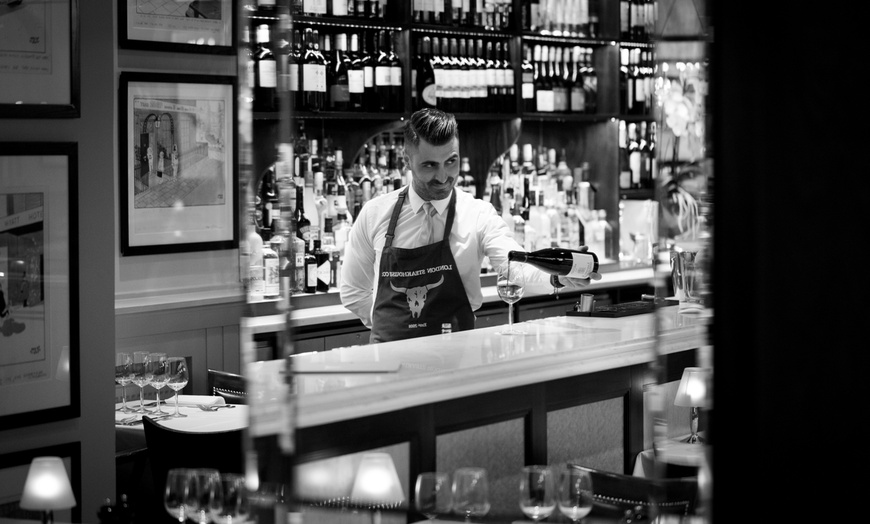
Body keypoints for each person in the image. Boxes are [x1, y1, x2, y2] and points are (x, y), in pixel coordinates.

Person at [340, 108, 601, 343]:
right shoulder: (375, 214)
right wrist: (394, 328)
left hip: (457, 356)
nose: (443, 177)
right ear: (407, 161)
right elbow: (353, 291)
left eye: (450, 162)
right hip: (390, 362)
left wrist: (558, 277)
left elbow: (514, 266)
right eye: (430, 165)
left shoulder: (477, 213)